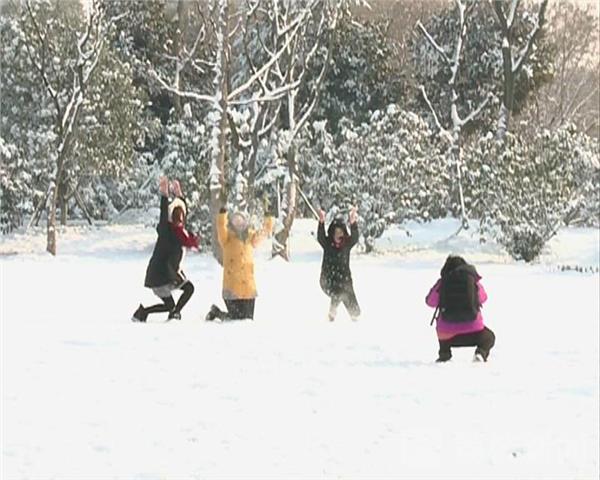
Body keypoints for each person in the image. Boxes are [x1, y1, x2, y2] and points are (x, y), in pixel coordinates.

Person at [132, 177, 199, 322]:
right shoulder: (166, 230)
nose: (179, 220)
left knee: (187, 291)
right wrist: (164, 195)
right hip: (160, 275)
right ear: (171, 218)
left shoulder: (181, 233)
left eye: (181, 217)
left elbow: (182, 211)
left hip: (171, 273)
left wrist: (179, 195)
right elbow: (164, 215)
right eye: (176, 217)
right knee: (172, 303)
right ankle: (151, 312)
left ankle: (150, 312)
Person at [205, 206, 273, 321]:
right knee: (235, 320)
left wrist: (269, 219)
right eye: (236, 221)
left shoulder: (251, 237)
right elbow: (221, 228)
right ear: (231, 223)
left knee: (247, 320)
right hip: (232, 287)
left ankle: (217, 312)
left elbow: (264, 232)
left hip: (248, 289)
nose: (239, 224)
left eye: (241, 221)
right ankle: (216, 313)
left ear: (245, 222)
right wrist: (222, 215)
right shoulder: (226, 238)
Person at [425, 255, 495, 362]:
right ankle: (480, 353)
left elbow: (430, 302)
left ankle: (444, 353)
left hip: (447, 335)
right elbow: (483, 298)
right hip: (473, 330)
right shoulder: (472, 281)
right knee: (489, 337)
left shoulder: (442, 283)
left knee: (442, 330)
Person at [317, 207, 361, 321]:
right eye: (336, 232)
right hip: (328, 280)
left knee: (355, 310)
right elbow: (320, 237)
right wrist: (321, 222)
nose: (338, 235)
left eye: (340, 232)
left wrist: (353, 222)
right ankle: (332, 314)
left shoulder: (346, 244)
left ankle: (355, 320)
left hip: (344, 280)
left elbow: (355, 237)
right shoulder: (327, 243)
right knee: (338, 292)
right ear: (332, 233)